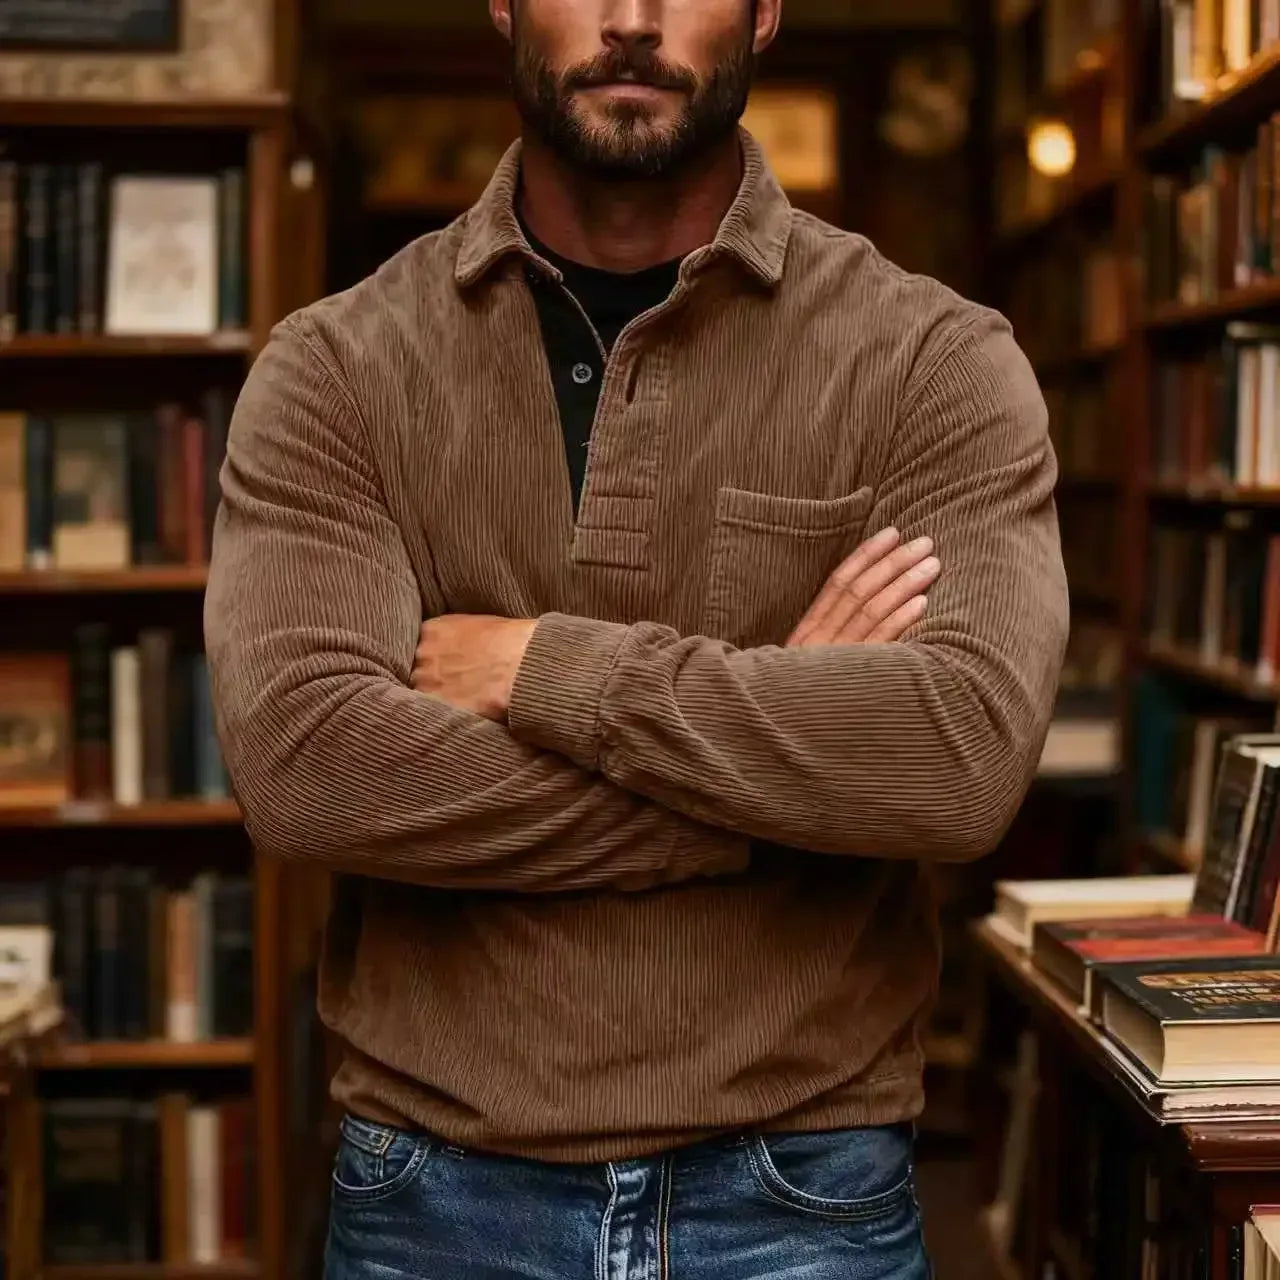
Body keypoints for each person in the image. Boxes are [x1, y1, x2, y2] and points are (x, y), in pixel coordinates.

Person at [204, 0, 1068, 1275]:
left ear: (764, 12)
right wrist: (777, 762)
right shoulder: (334, 369)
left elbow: (956, 757)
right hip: (437, 1191)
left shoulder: (932, 360)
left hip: (801, 1188)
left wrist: (541, 667)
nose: (629, 21)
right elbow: (308, 770)